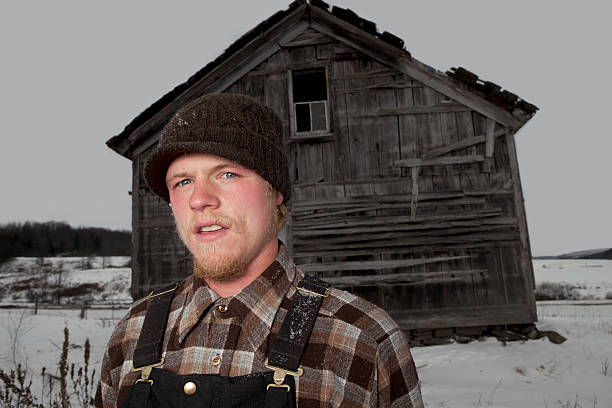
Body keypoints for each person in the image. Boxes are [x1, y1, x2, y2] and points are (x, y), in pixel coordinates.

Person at [95, 93, 423, 408]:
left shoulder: (362, 338)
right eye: (182, 182)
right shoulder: (132, 333)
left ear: (274, 191)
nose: (199, 199)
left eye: (227, 174)